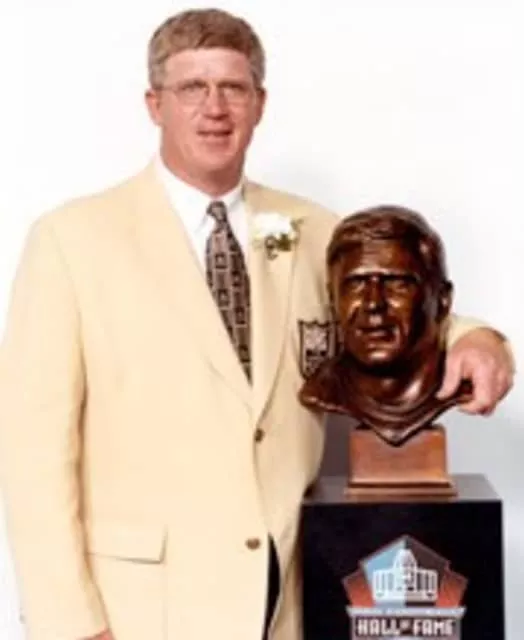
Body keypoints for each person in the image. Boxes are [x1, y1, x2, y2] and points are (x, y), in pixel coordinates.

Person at [0, 8, 513, 640]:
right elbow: (32, 452)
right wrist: (69, 626)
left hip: (289, 599)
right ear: (155, 105)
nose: (215, 108)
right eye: (193, 88)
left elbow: (397, 302)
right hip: (140, 610)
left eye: (233, 88)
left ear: (260, 103)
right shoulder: (70, 241)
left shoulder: (311, 229)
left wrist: (476, 339)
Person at [300, 205, 473, 445]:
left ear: (443, 300)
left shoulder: (459, 381)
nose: (373, 303)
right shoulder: (322, 387)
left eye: (397, 284)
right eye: (356, 284)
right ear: (332, 299)